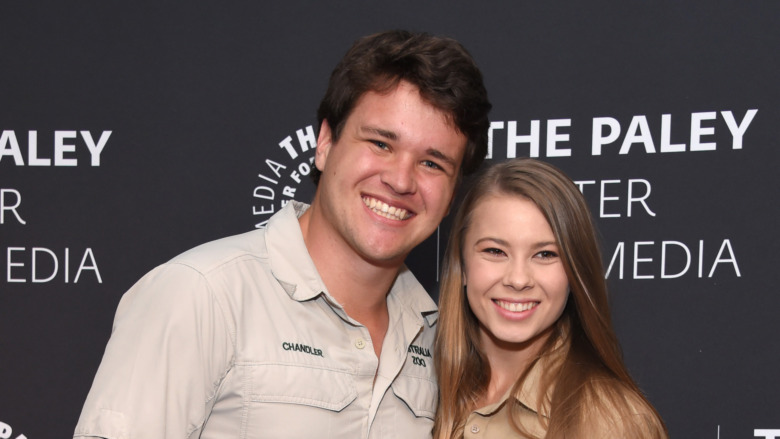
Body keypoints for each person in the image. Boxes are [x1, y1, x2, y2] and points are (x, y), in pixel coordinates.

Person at [74, 30, 491, 439]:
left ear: (453, 193)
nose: (401, 180)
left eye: (433, 164)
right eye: (381, 143)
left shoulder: (437, 338)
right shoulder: (202, 295)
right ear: (325, 143)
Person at [433, 158, 668, 438]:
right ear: (462, 265)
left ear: (574, 272)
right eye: (495, 251)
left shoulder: (614, 423)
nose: (518, 279)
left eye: (545, 254)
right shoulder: (420, 392)